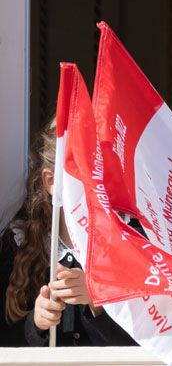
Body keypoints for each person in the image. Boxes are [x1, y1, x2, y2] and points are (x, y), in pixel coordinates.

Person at [2, 119, 133, 346]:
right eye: (80, 172)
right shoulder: (18, 243)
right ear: (51, 181)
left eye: (103, 173)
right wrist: (36, 324)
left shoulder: (130, 244)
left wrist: (97, 301)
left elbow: (151, 346)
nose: (96, 185)